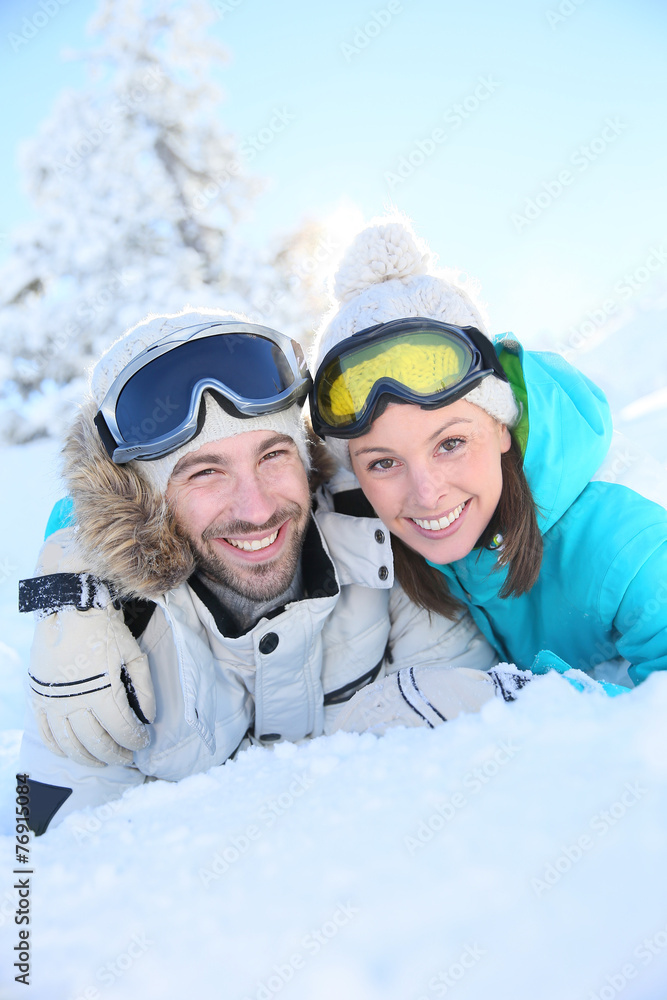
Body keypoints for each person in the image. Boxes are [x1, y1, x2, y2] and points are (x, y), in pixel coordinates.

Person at [19, 308, 508, 835]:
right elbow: (60, 867)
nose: (254, 509)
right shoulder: (98, 645)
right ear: (147, 506)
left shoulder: (375, 539)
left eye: (273, 456)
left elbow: (484, 758)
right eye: (206, 473)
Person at [309, 218, 667, 689]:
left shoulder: (624, 544)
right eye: (383, 462)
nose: (427, 493)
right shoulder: (382, 563)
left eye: (450, 444)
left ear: (502, 427)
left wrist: (538, 702)